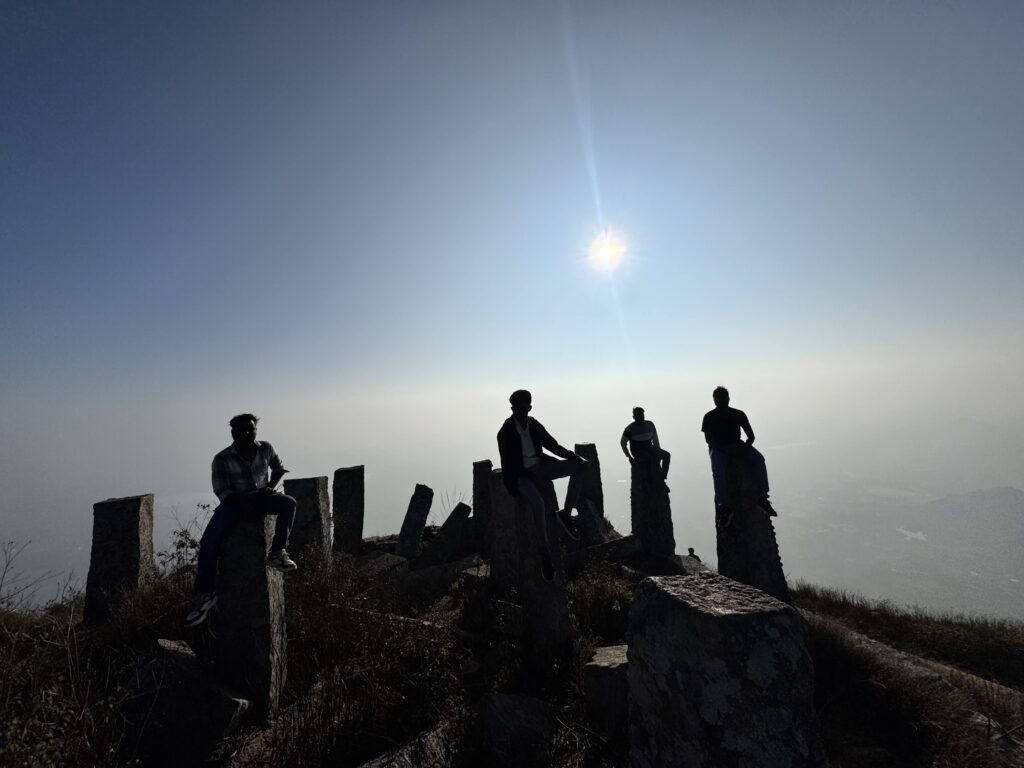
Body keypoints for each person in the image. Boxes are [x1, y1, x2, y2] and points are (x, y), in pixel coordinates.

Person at [185, 414, 298, 627]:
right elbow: (222, 491)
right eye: (239, 431)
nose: (246, 433)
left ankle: (277, 552)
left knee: (289, 503)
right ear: (232, 433)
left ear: (256, 429)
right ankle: (205, 594)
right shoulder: (222, 458)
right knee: (209, 542)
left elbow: (279, 468)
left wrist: (271, 487)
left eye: (250, 429)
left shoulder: (266, 448)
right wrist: (244, 506)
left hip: (262, 496)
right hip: (234, 502)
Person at [497, 389, 587, 581]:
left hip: (540, 467)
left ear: (529, 407)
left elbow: (552, 445)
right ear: (512, 407)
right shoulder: (505, 432)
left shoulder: (534, 425)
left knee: (579, 468)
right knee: (538, 505)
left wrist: (573, 456)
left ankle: (566, 513)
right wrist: (530, 475)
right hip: (521, 477)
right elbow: (509, 466)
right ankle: (544, 552)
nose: (519, 410)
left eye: (523, 406)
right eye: (515, 406)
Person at [700, 386, 777, 528]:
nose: (720, 400)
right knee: (718, 469)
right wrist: (726, 450)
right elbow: (709, 440)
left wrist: (744, 449)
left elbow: (751, 436)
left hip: (738, 445)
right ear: (714, 400)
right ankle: (725, 507)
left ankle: (762, 498)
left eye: (722, 397)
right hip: (719, 449)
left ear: (728, 399)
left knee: (759, 459)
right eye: (717, 398)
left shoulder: (738, 414)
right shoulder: (709, 417)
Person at [620, 406, 671, 490]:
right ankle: (650, 484)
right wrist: (629, 456)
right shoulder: (629, 429)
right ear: (634, 417)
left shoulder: (650, 424)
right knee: (649, 459)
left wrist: (657, 452)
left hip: (649, 447)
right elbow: (623, 443)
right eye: (638, 415)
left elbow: (655, 440)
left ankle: (662, 477)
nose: (641, 416)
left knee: (666, 455)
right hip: (637, 450)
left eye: (642, 414)